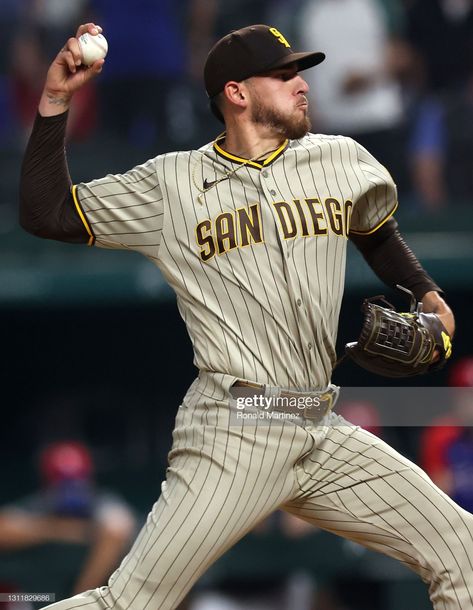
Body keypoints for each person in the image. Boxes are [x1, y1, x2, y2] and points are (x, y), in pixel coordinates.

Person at [18, 21, 472, 610]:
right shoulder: (171, 185)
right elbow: (47, 212)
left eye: (300, 73)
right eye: (284, 75)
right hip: (236, 426)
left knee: (462, 549)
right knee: (130, 602)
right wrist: (55, 100)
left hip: (319, 423)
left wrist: (427, 295)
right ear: (237, 93)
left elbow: (376, 232)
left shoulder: (337, 159)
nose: (302, 85)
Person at [0, 441, 136, 596]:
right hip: (41, 595)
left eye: (76, 480)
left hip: (99, 596)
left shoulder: (101, 501)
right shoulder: (42, 504)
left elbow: (117, 530)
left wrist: (79, 600)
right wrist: (63, 530)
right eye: (63, 481)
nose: (70, 488)